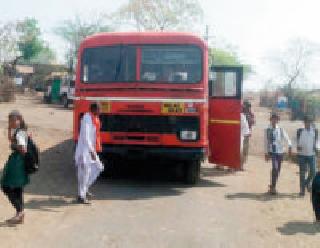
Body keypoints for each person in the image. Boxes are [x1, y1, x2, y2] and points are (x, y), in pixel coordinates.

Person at [1, 111, 29, 224]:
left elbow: (23, 150)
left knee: (5, 186)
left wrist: (14, 146)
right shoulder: (19, 131)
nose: (11, 123)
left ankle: (20, 211)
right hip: (18, 162)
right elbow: (11, 139)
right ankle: (20, 214)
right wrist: (9, 129)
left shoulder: (21, 133)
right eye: (9, 121)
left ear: (19, 120)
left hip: (18, 163)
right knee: (18, 188)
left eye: (13, 120)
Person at [75, 103, 104, 204]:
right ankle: (81, 196)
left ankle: (84, 189)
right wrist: (91, 151)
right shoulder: (87, 118)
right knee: (83, 174)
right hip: (85, 151)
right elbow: (86, 136)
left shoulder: (94, 118)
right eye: (99, 109)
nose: (101, 111)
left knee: (99, 167)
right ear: (94, 109)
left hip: (90, 149)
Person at [264, 112, 292, 195]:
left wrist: (290, 145)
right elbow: (265, 142)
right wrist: (266, 153)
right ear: (271, 120)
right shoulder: (267, 130)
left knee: (278, 170)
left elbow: (287, 138)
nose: (274, 120)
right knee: (275, 168)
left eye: (276, 119)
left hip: (280, 152)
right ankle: (273, 187)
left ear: (277, 120)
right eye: (273, 119)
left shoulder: (280, 129)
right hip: (272, 152)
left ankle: (272, 186)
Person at [296, 115, 318, 196]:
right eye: (305, 122)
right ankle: (302, 190)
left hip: (311, 155)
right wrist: (297, 146)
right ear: (304, 122)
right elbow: (296, 140)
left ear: (311, 122)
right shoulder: (300, 131)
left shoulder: (315, 131)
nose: (307, 123)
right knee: (302, 173)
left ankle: (306, 183)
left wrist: (316, 148)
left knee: (313, 172)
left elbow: (316, 141)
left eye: (308, 121)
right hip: (302, 155)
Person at [242, 101, 255, 165]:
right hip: (240, 134)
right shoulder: (241, 113)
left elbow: (252, 123)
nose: (248, 107)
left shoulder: (251, 114)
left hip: (246, 134)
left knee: (245, 149)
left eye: (249, 106)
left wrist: (250, 131)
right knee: (241, 149)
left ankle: (242, 164)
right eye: (247, 106)